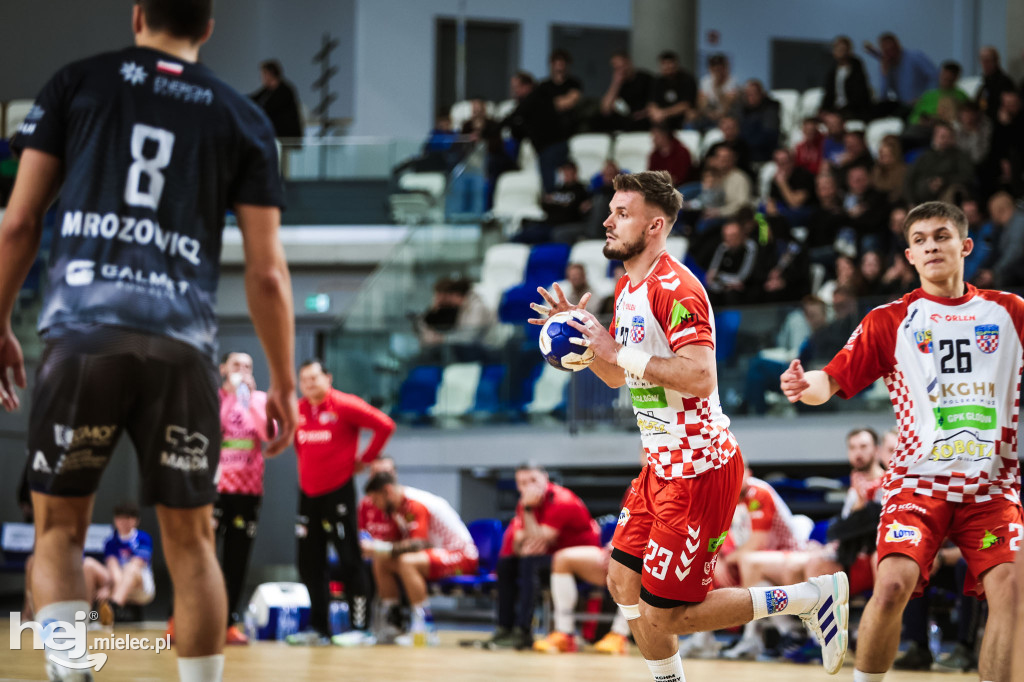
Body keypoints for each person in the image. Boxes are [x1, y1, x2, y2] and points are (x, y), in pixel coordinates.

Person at [0, 2, 298, 680]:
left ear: (137, 15)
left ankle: (72, 673)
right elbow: (268, 273)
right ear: (208, 27)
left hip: (82, 336)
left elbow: (18, 225)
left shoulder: (76, 82)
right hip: (181, 347)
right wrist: (282, 381)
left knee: (60, 534)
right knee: (193, 544)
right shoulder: (244, 117)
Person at [531, 170, 849, 681]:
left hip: (699, 467)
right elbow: (616, 374)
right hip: (660, 466)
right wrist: (585, 343)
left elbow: (700, 376)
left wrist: (617, 350)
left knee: (668, 613)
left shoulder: (677, 287)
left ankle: (807, 597)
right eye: (611, 210)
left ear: (654, 225)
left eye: (621, 213)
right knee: (621, 582)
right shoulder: (629, 284)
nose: (608, 221)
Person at [780, 201, 1024, 682]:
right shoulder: (890, 320)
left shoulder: (1010, 311)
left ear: (965, 246)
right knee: (891, 586)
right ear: (909, 256)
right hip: (918, 483)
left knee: (1013, 590)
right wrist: (803, 386)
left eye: (941, 236)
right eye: (920, 240)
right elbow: (831, 379)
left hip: (992, 490)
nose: (931, 245)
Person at [290, 359, 396, 646]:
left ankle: (359, 628)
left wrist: (365, 459)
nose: (309, 384)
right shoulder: (297, 410)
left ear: (328, 378)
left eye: (314, 378)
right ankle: (318, 628)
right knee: (309, 563)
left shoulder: (344, 404)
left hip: (338, 493)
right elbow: (297, 445)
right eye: (304, 380)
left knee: (350, 559)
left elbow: (385, 425)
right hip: (308, 495)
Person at [482, 463, 601, 650]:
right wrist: (526, 536)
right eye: (522, 483)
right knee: (507, 565)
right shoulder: (526, 502)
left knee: (530, 563)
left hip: (584, 563)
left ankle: (523, 632)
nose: (528, 487)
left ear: (545, 478)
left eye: (533, 480)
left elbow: (537, 538)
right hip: (551, 560)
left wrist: (527, 513)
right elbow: (516, 545)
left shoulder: (562, 500)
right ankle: (505, 628)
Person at [361, 471, 478, 646]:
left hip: (462, 556)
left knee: (407, 562)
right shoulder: (396, 508)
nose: (376, 506)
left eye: (376, 500)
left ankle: (425, 629)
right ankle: (394, 624)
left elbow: (419, 544)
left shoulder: (415, 504)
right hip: (436, 554)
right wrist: (377, 550)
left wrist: (378, 547)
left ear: (387, 491)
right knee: (381, 561)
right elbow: (396, 546)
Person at [213, 351, 271, 645]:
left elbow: (268, 431)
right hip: (214, 490)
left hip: (247, 492)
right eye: (236, 365)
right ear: (223, 369)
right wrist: (231, 397)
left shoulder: (258, 399)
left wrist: (248, 401)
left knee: (236, 562)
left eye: (248, 366)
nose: (242, 371)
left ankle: (228, 624)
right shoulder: (214, 398)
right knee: (201, 556)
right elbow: (215, 431)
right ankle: (179, 619)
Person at [532, 542, 634, 655]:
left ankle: (619, 634)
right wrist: (615, 545)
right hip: (621, 545)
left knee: (634, 566)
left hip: (645, 554)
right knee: (562, 559)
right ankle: (564, 634)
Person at [504, 71, 569, 192]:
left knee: (552, 185)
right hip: (547, 147)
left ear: (527, 86)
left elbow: (514, 117)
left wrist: (493, 127)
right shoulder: (533, 100)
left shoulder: (536, 98)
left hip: (552, 146)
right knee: (549, 182)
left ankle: (555, 204)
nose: (515, 91)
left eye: (517, 87)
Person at [863, 32, 938, 116]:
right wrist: (884, 73)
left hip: (923, 103)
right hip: (904, 106)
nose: (890, 53)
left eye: (892, 49)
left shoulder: (915, 56)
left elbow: (934, 77)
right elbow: (883, 96)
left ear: (897, 46)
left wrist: (923, 98)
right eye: (886, 51)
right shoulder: (888, 65)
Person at [102, 503, 156, 614]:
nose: (124, 522)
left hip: (141, 587)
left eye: (128, 518)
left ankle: (112, 609)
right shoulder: (110, 542)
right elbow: (113, 567)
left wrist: (110, 588)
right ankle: (86, 616)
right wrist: (107, 587)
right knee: (90, 566)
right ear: (115, 520)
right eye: (120, 518)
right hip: (117, 584)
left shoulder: (143, 538)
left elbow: (137, 564)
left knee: (130, 568)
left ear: (136, 520)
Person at [904, 123, 975, 204]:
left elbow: (968, 177)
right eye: (942, 136)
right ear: (935, 137)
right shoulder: (923, 157)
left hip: (950, 195)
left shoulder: (960, 156)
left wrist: (944, 181)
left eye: (949, 137)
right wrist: (911, 203)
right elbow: (909, 180)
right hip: (922, 199)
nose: (945, 140)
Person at [595, 51, 654, 132]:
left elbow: (655, 103)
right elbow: (605, 109)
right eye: (615, 69)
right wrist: (615, 84)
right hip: (627, 121)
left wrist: (644, 113)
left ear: (628, 63)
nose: (620, 71)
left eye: (621, 67)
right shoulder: (619, 85)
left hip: (646, 119)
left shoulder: (645, 78)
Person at [821, 36, 872, 121]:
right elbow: (829, 94)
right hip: (835, 109)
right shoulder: (833, 72)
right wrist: (823, 109)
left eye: (842, 49)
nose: (839, 51)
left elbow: (859, 95)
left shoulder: (856, 68)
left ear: (849, 50)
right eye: (837, 48)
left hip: (853, 111)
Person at [250, 59, 303, 139]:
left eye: (264, 74)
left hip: (285, 138)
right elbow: (253, 98)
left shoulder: (284, 91)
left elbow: (269, 109)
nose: (262, 78)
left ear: (270, 74)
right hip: (275, 136)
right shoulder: (267, 91)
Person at [647, 50, 698, 130]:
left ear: (676, 64)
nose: (668, 67)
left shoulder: (687, 79)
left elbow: (685, 104)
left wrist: (664, 113)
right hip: (663, 117)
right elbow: (652, 103)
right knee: (653, 116)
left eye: (670, 63)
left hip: (680, 115)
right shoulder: (658, 81)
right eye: (664, 64)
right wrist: (655, 112)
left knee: (691, 115)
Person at [538, 49, 583, 137]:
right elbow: (540, 106)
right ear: (552, 65)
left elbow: (570, 102)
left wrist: (551, 103)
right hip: (548, 122)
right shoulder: (543, 85)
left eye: (562, 64)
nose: (560, 68)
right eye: (557, 64)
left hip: (567, 122)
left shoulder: (574, 83)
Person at [694, 53, 739, 130]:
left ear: (725, 67)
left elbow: (726, 107)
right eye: (714, 66)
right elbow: (701, 105)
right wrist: (709, 113)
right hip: (708, 116)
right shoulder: (705, 81)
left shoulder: (733, 82)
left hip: (726, 116)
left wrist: (717, 87)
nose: (717, 70)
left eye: (720, 67)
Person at [976, 46, 1016, 121]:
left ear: (996, 61)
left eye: (988, 60)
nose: (985, 64)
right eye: (982, 60)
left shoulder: (1004, 82)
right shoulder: (984, 81)